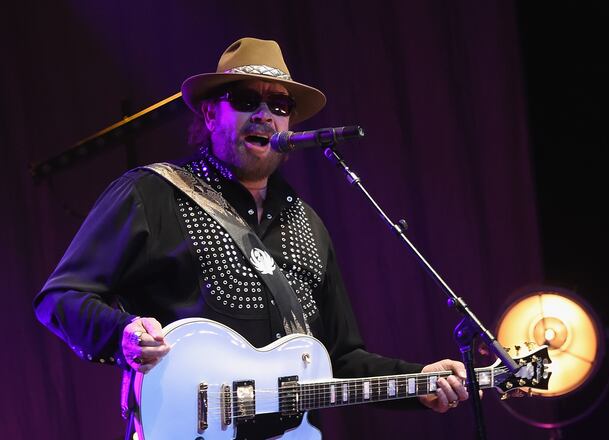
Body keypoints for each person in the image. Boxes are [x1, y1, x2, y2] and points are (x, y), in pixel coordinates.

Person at [33, 37, 468, 437]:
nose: (264, 114)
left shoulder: (308, 224)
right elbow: (60, 299)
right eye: (244, 99)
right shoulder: (152, 193)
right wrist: (123, 332)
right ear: (208, 113)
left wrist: (420, 382)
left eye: (279, 105)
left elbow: (340, 359)